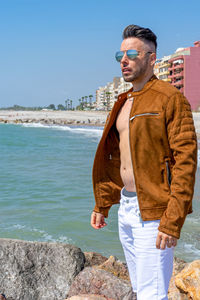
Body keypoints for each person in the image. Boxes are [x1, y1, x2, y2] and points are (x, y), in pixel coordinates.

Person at [90, 24, 197, 300]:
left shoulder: (170, 99)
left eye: (131, 54)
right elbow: (117, 159)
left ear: (151, 58)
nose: (123, 60)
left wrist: (172, 221)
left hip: (154, 211)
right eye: (119, 55)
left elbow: (186, 162)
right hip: (127, 207)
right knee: (140, 288)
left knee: (153, 294)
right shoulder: (123, 101)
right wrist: (103, 204)